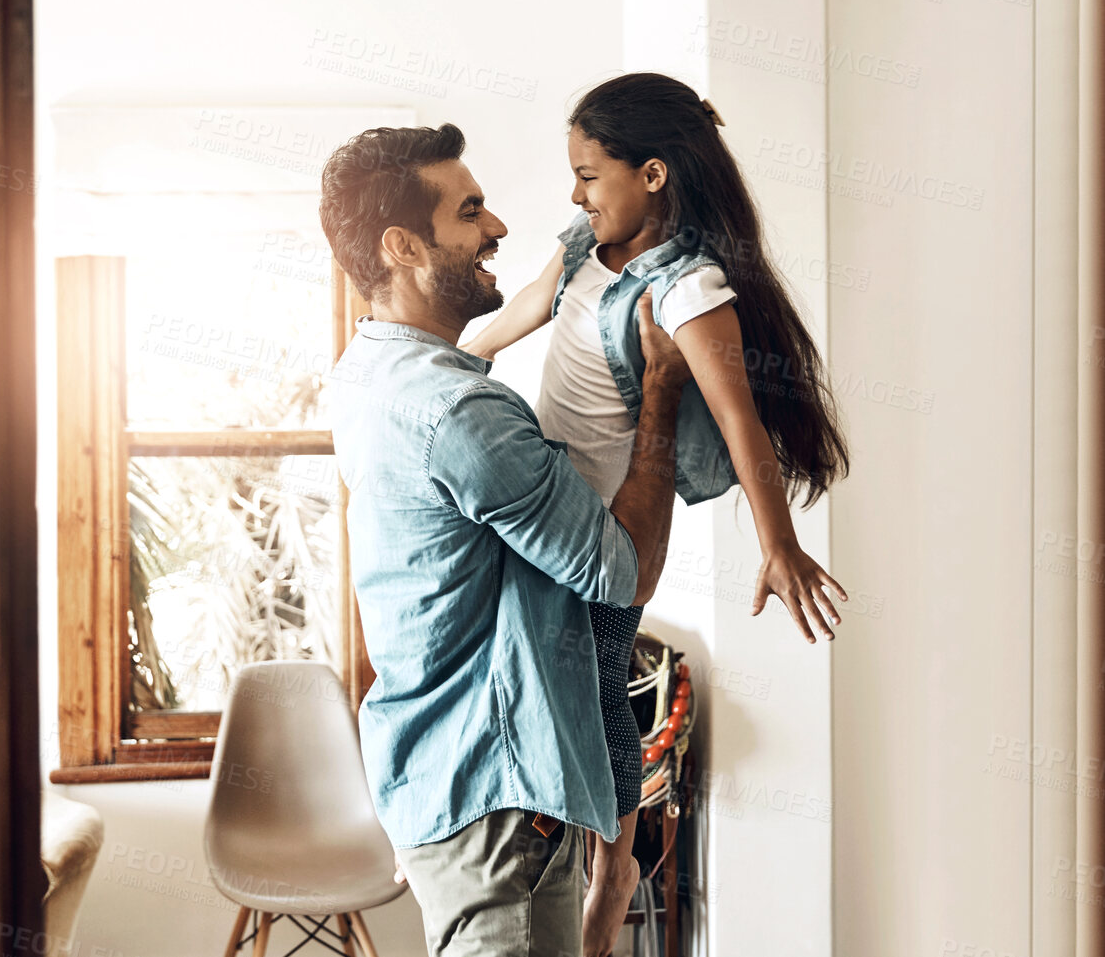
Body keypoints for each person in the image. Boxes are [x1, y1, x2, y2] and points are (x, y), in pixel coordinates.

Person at [462, 72, 852, 955]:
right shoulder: (584, 243)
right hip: (546, 505)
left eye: (589, 174)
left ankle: (614, 869)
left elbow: (740, 417)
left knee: (600, 688)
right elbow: (528, 305)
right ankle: (540, 832)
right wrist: (451, 358)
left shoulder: (687, 289)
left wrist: (779, 542)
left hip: (606, 532)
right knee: (540, 674)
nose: (573, 192)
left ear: (652, 174)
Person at [319, 122, 691, 957]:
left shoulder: (371, 373)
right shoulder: (462, 415)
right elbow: (625, 574)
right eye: (471, 210)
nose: (495, 227)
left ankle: (611, 880)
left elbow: (501, 326)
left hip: (440, 787)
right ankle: (613, 882)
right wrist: (662, 392)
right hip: (500, 809)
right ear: (403, 245)